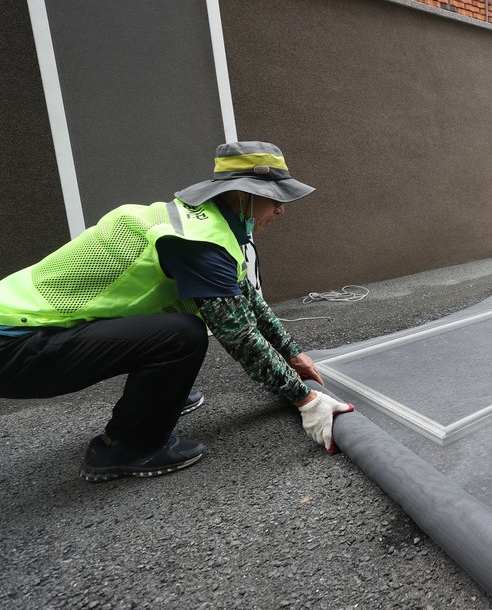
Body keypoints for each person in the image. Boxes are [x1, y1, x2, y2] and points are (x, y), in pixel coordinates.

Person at [0, 141, 353, 481]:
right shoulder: (200, 244)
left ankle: (158, 400)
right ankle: (123, 449)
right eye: (275, 198)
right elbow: (240, 336)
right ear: (245, 195)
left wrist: (293, 355)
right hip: (15, 346)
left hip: (31, 330)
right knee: (182, 334)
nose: (281, 209)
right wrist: (306, 400)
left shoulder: (200, 224)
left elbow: (248, 301)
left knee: (172, 331)